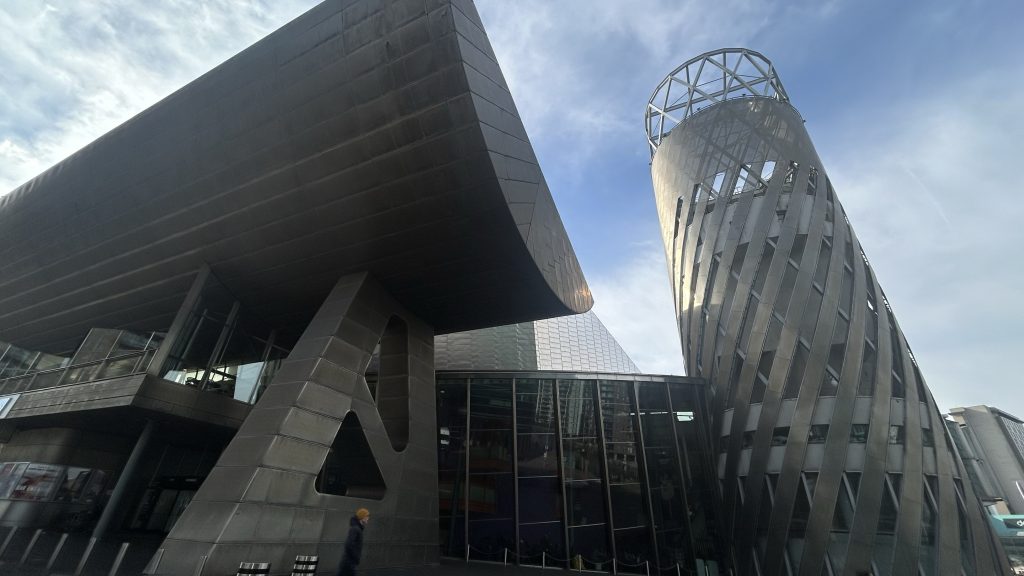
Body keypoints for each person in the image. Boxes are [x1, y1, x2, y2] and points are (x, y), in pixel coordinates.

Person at [338, 508, 369, 576]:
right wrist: (355, 557)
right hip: (349, 563)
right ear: (362, 517)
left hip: (349, 563)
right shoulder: (355, 529)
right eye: (366, 516)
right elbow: (348, 544)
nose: (368, 518)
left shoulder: (358, 529)